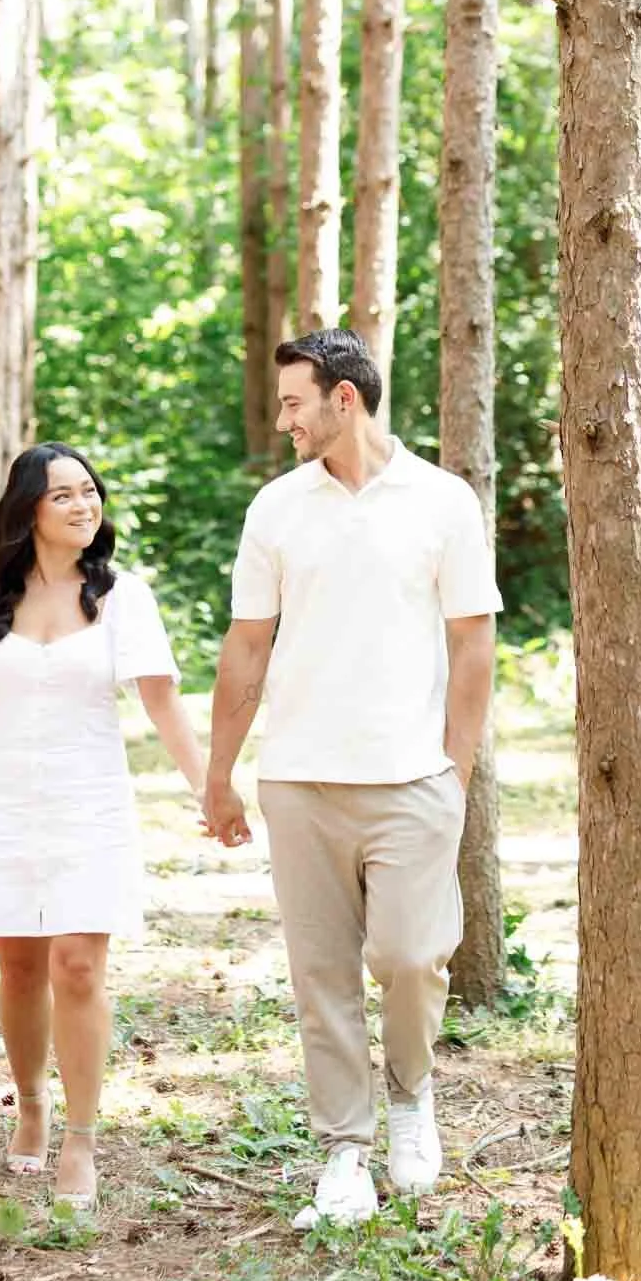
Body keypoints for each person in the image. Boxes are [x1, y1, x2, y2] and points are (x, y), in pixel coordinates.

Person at [204, 330, 502, 1229]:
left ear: (344, 400)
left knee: (410, 959)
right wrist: (220, 773)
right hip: (297, 779)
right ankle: (344, 1152)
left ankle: (411, 1098)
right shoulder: (276, 510)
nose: (282, 419)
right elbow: (246, 645)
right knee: (321, 976)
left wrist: (457, 763)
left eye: (294, 402)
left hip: (412, 776)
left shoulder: (443, 502)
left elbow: (472, 639)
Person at [0, 443, 207, 1211]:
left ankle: (80, 1137)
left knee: (77, 965)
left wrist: (209, 787)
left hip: (90, 802)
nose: (83, 506)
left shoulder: (122, 596)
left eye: (89, 492)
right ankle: (29, 1104)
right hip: (7, 801)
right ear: (28, 511)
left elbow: (161, 701)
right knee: (18, 968)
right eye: (63, 495)